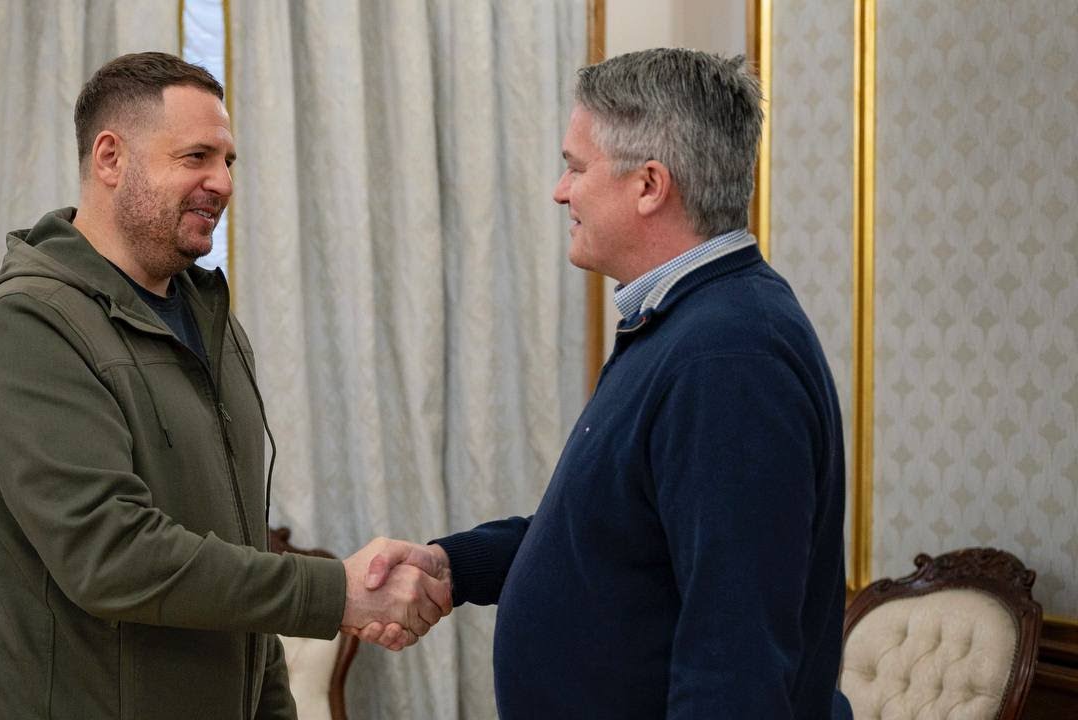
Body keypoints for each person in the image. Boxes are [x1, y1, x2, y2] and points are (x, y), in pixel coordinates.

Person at [356, 48, 853, 719]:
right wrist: (456, 566)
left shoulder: (728, 358)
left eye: (576, 167)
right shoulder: (686, 324)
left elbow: (735, 657)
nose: (561, 191)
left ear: (649, 185)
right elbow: (614, 536)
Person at [0, 52, 449, 720]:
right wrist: (336, 592)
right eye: (196, 157)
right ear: (110, 158)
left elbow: (238, 550)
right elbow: (111, 555)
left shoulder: (210, 321)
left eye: (228, 161)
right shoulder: (31, 326)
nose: (222, 182)